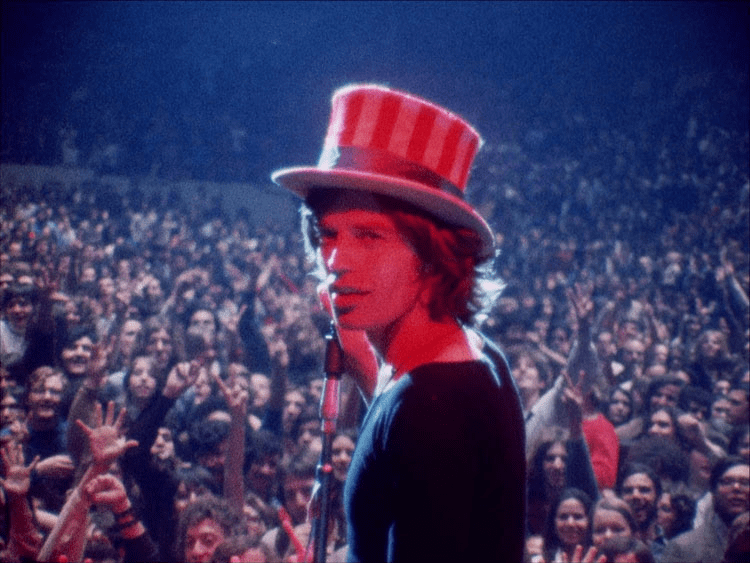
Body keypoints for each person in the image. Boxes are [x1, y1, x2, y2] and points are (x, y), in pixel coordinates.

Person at [272, 84, 526, 561]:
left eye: (369, 236)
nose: (335, 262)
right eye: (328, 235)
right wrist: (364, 364)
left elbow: (421, 427)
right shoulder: (465, 358)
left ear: (433, 255)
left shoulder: (433, 408)